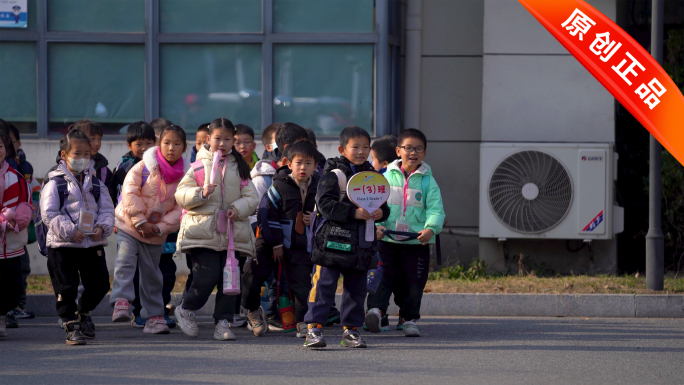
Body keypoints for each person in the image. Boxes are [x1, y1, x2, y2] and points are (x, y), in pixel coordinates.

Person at [303, 125, 390, 349]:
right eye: (355, 147)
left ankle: (350, 331)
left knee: (356, 289)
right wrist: (353, 212)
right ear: (342, 149)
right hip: (332, 242)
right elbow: (324, 205)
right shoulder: (334, 174)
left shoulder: (373, 176)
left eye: (365, 147)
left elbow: (384, 206)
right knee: (323, 285)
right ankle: (313, 329)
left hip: (362, 243)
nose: (361, 152)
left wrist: (382, 212)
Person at [174, 118, 258, 341]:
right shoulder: (198, 166)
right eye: (217, 138)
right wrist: (201, 193)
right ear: (208, 139)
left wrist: (236, 209)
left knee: (230, 283)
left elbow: (251, 197)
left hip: (232, 234)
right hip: (203, 233)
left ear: (233, 140)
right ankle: (186, 309)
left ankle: (223, 322)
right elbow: (181, 195)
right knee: (205, 277)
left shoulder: (239, 167)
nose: (222, 143)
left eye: (227, 139)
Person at [367, 128, 445, 337]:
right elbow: (372, 205)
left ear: (424, 153)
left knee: (413, 283)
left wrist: (430, 229)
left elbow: (436, 209)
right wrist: (375, 228)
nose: (413, 152)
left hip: (415, 244)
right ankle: (375, 311)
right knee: (381, 277)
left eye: (418, 149)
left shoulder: (428, 181)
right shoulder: (384, 176)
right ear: (398, 151)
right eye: (408, 148)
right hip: (387, 239)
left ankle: (409, 319)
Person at [110, 125, 187, 335]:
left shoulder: (184, 176)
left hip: (155, 234)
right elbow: (129, 192)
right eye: (167, 143)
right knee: (125, 262)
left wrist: (160, 228)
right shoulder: (143, 167)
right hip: (130, 225)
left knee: (152, 276)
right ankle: (121, 302)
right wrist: (140, 221)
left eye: (177, 144)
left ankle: (154, 317)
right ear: (159, 144)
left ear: (184, 147)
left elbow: (181, 208)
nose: (171, 148)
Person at [41, 129, 115, 345]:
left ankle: (83, 312)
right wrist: (71, 231)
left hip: (92, 244)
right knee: (66, 287)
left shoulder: (96, 184)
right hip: (63, 245)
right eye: (77, 154)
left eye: (86, 154)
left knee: (100, 284)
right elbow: (49, 214)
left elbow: (108, 210)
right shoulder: (54, 182)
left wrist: (102, 228)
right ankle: (70, 323)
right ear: (64, 155)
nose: (82, 158)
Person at [242, 140, 320, 337]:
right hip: (269, 242)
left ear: (316, 166)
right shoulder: (278, 186)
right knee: (252, 276)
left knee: (302, 285)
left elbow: (329, 211)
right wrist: (276, 243)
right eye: (299, 162)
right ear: (288, 163)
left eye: (308, 163)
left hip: (301, 245)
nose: (303, 167)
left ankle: (302, 321)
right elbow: (266, 215)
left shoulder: (319, 187)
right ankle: (253, 311)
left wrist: (317, 217)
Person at [0, 129, 33, 339]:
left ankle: (2, 315)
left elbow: (27, 201)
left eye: (0, 146)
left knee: (12, 287)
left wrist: (19, 217)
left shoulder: (16, 176)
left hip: (11, 245)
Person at [7, 124, 40, 321]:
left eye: (12, 141)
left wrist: (28, 212)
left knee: (22, 267)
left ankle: (18, 306)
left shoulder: (25, 168)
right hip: (5, 229)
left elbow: (33, 193)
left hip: (19, 229)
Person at [111, 122, 157, 201]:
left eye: (148, 143)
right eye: (139, 144)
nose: (144, 148)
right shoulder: (125, 166)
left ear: (155, 143)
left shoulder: (159, 163)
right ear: (129, 146)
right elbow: (120, 194)